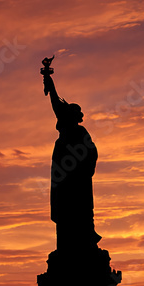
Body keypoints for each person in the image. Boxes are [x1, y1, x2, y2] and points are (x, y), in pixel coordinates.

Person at [43, 63, 101, 249]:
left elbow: (92, 153)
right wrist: (48, 80)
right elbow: (55, 102)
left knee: (81, 209)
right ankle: (70, 243)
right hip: (65, 179)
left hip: (78, 180)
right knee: (65, 209)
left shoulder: (81, 133)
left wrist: (84, 169)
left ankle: (86, 239)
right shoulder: (66, 137)